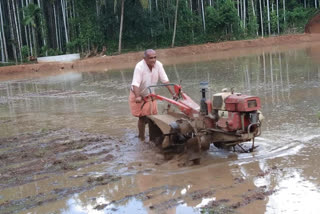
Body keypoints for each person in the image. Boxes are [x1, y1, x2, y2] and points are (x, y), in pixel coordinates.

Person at [129, 49, 175, 142]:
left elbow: (165, 80)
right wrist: (138, 96)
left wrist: (173, 93)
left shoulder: (159, 65)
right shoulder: (139, 67)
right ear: (144, 59)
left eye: (155, 57)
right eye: (150, 58)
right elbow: (135, 84)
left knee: (153, 117)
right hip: (139, 94)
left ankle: (152, 137)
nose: (153, 60)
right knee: (142, 117)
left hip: (150, 93)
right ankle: (141, 138)